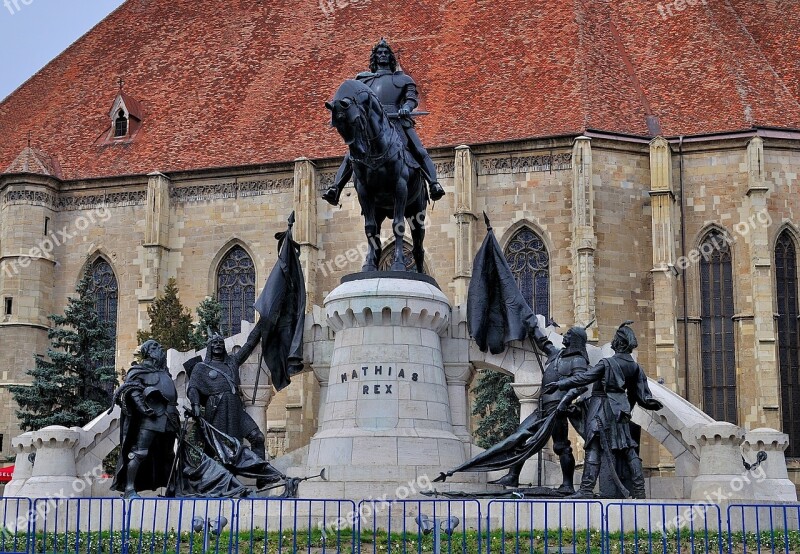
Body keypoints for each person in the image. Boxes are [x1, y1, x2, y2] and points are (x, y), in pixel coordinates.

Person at [542, 321, 664, 499]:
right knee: (628, 449)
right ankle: (640, 490)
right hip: (620, 411)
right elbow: (642, 395)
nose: (613, 341)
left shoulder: (607, 363)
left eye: (615, 339)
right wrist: (648, 404)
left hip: (600, 408)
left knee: (593, 449)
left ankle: (585, 490)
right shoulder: (635, 367)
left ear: (619, 343)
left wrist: (560, 384)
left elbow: (584, 378)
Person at [322, 38, 446, 205]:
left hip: (397, 121)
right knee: (352, 154)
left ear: (391, 57)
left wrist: (406, 109)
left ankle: (433, 183)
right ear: (374, 57)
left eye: (386, 53)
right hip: (372, 126)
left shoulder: (404, 79)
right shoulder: (362, 81)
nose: (382, 55)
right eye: (379, 53)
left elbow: (411, 99)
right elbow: (351, 101)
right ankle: (335, 188)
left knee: (419, 150)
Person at [489, 321, 591, 491]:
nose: (565, 335)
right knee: (519, 436)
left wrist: (565, 401)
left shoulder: (578, 360)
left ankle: (567, 485)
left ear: (575, 340)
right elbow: (544, 343)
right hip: (543, 407)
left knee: (561, 446)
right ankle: (513, 476)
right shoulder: (557, 355)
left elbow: (580, 384)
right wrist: (531, 325)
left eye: (569, 334)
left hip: (558, 408)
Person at [111, 340, 180, 499]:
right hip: (151, 417)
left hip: (170, 416)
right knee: (140, 452)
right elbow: (132, 390)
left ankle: (172, 488)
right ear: (147, 352)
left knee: (169, 454)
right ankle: (129, 489)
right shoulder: (138, 370)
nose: (159, 348)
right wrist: (143, 408)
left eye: (159, 346)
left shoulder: (165, 372)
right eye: (155, 346)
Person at [187, 330, 267, 463]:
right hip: (216, 409)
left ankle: (260, 474)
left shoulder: (233, 362)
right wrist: (195, 404)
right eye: (214, 343)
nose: (218, 345)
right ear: (209, 347)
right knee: (221, 450)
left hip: (236, 409)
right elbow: (193, 388)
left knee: (257, 437)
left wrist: (262, 323)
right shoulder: (201, 367)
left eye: (220, 342)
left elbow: (249, 344)